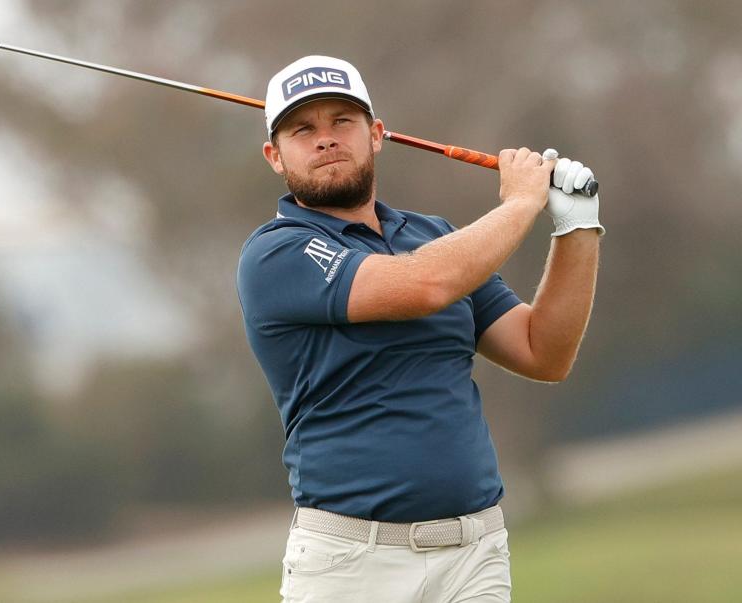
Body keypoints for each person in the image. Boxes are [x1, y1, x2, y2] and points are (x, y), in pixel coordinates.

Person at [236, 55, 602, 603]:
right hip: (351, 565)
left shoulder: (432, 235)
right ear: (274, 155)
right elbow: (423, 286)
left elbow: (542, 352)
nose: (325, 139)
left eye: (343, 121)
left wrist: (577, 225)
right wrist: (523, 200)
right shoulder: (276, 253)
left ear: (377, 134)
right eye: (302, 129)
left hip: (475, 554)